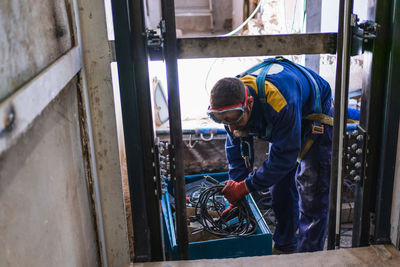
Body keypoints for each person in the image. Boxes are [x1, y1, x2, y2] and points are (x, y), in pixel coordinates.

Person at [207, 57, 334, 253]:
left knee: (312, 190)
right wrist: (236, 194)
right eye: (222, 121)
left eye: (234, 121)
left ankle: (310, 254)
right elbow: (236, 155)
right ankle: (285, 246)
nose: (230, 128)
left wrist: (246, 186)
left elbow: (284, 158)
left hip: (314, 114)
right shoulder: (230, 109)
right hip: (284, 112)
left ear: (249, 104)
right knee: (279, 185)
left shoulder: (279, 103)